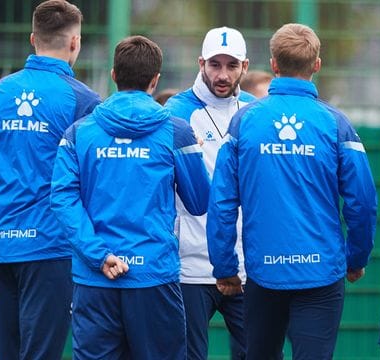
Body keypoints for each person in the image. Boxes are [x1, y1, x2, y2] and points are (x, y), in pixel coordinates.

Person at [207, 23, 377, 360]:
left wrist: (225, 267)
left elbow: (222, 201)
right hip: (321, 271)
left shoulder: (243, 122)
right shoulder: (336, 123)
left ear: (273, 65)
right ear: (317, 65)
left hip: (263, 271)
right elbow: (363, 202)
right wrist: (356, 258)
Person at [50, 35, 210, 359]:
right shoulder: (177, 131)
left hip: (95, 277)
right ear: (155, 80)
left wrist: (98, 254)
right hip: (153, 274)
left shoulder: (79, 132)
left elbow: (63, 199)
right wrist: (196, 155)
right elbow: (200, 201)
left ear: (113, 75)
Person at [0, 1, 102, 359]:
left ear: (32, 38)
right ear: (75, 43)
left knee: (10, 352)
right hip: (52, 246)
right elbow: (94, 180)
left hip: (3, 245)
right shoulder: (84, 99)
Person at [164, 26, 254, 360]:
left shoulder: (254, 111)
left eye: (231, 65)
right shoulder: (176, 112)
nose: (222, 74)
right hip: (191, 265)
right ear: (201, 63)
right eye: (215, 64)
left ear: (245, 67)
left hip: (245, 264)